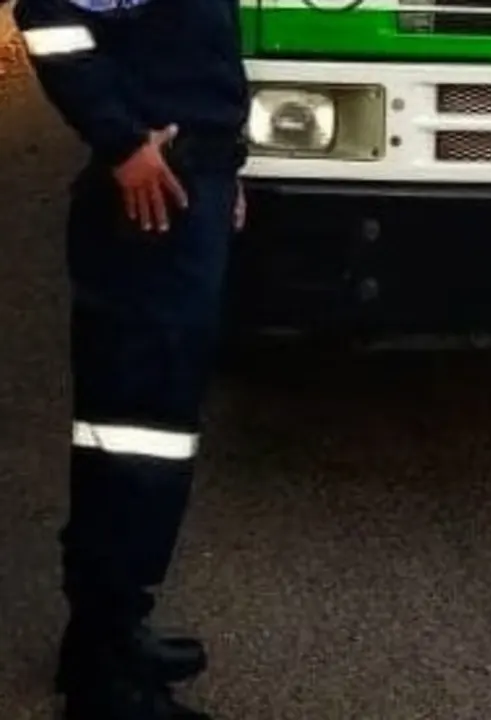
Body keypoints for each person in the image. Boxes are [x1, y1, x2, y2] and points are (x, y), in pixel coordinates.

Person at [13, 0, 249, 715]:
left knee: (155, 435)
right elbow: (49, 15)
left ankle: (113, 630)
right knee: (134, 438)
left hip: (189, 182)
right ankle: (104, 677)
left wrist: (224, 163)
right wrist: (121, 142)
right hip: (149, 200)